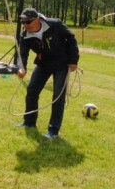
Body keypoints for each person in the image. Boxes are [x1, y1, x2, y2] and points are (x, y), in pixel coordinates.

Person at [16, 8, 79, 139]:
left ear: (37, 19)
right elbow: (22, 54)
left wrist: (73, 61)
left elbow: (71, 38)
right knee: (32, 90)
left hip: (61, 64)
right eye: (23, 22)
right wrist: (21, 68)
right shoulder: (25, 36)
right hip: (43, 64)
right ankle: (29, 122)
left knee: (58, 96)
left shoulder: (54, 24)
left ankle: (53, 130)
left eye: (28, 22)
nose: (25, 25)